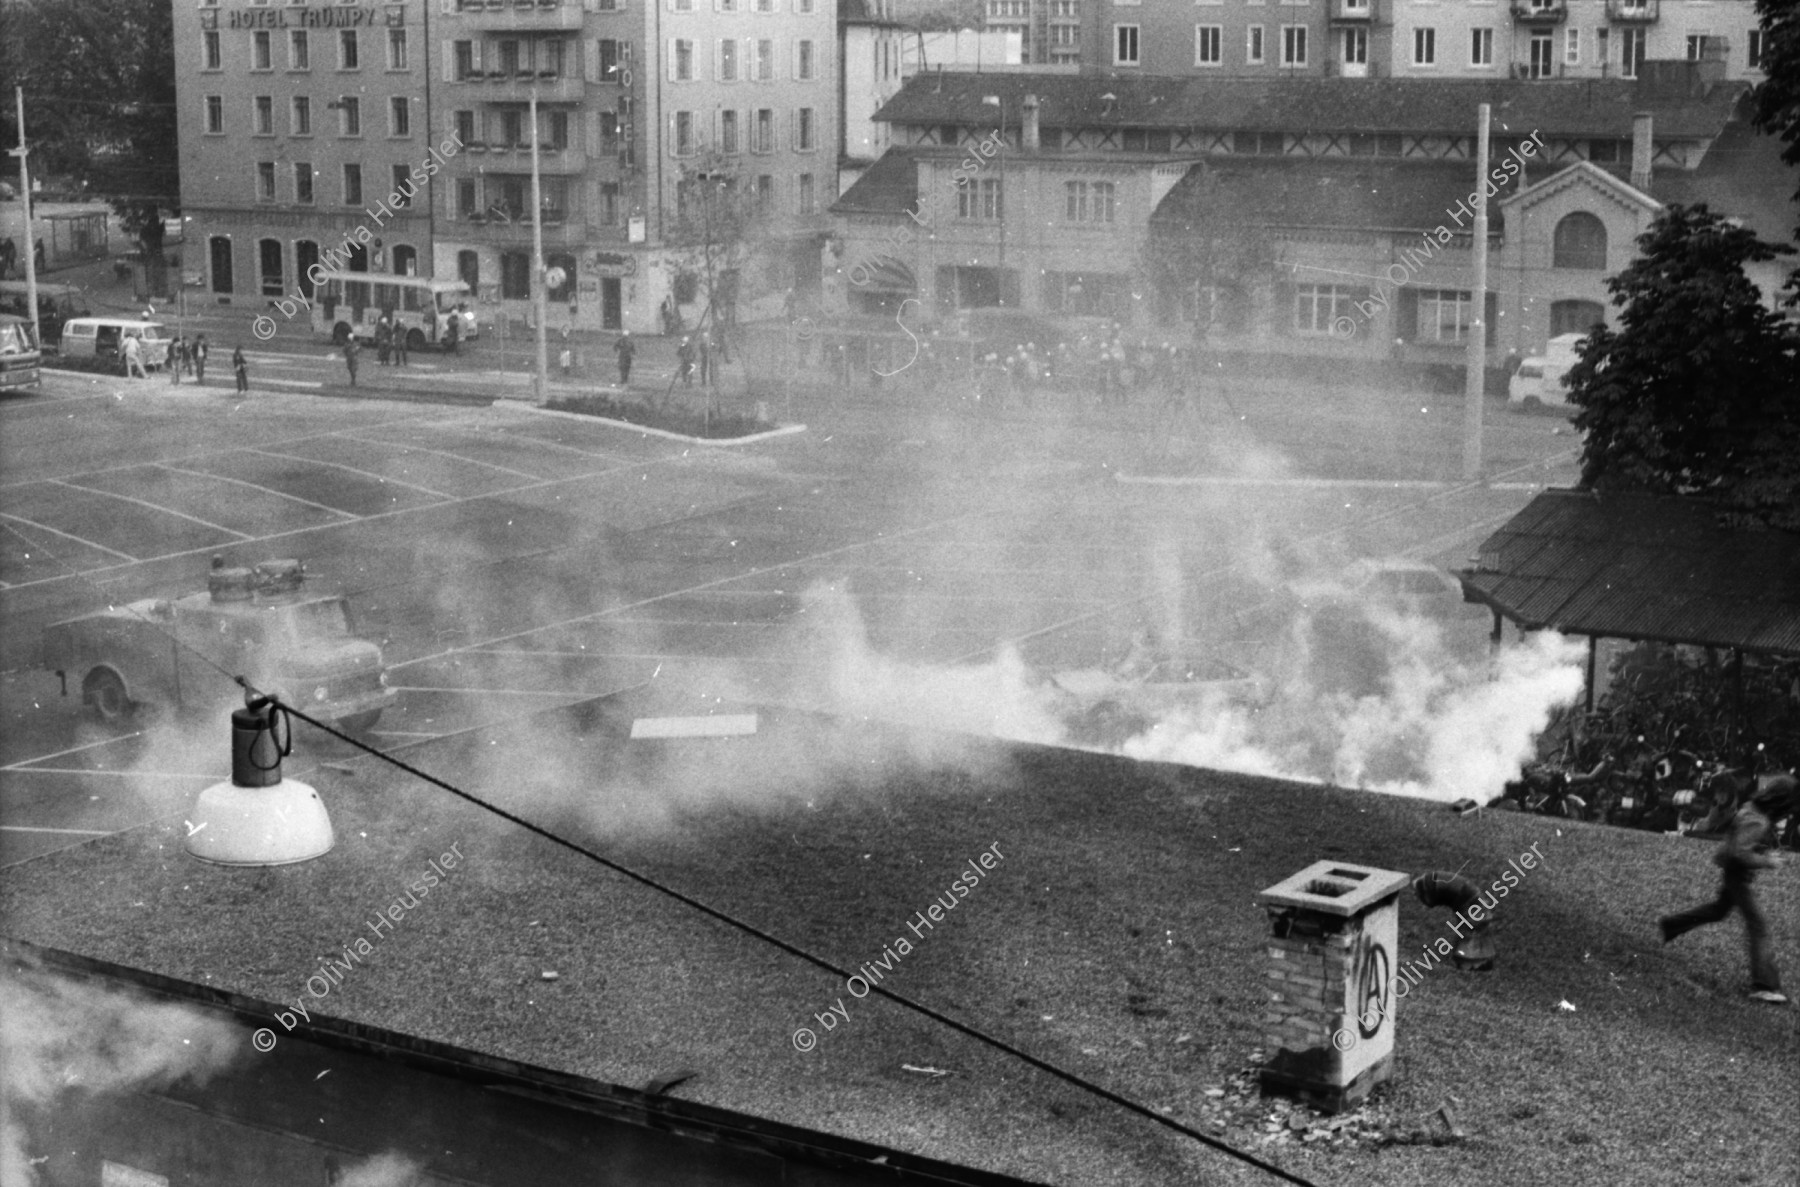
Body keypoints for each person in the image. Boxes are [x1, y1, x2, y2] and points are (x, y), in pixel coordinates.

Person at [1660, 774, 1797, 1004]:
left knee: (1718, 911)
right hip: (1737, 874)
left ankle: (1671, 925)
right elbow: (1740, 852)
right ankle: (1764, 985)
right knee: (1758, 925)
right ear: (1781, 802)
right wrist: (1767, 861)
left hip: (1734, 871)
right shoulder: (1758, 820)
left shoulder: (1751, 808)